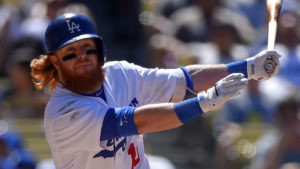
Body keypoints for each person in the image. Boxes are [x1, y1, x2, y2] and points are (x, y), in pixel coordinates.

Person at [30, 13, 280, 169]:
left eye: (88, 48)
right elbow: (137, 121)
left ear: (100, 50)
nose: (82, 57)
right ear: (54, 62)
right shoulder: (64, 112)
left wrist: (250, 66)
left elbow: (185, 79)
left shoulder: (119, 73)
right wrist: (204, 102)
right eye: (70, 53)